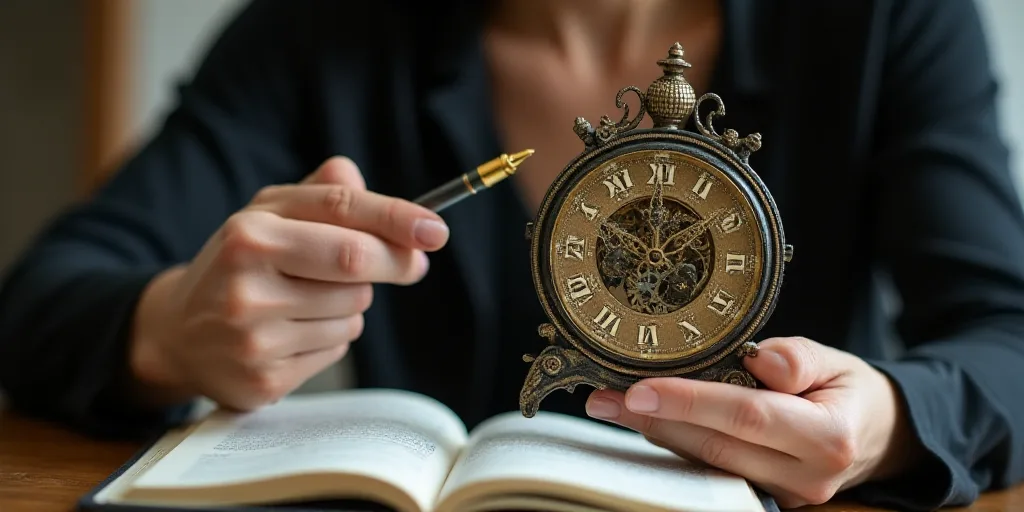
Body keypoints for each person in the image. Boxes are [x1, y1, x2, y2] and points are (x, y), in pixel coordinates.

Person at [1, 0, 1023, 509]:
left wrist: (886, 422)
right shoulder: (321, 26)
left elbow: (1009, 334)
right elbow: (42, 295)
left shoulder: (888, 19)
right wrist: (168, 327)